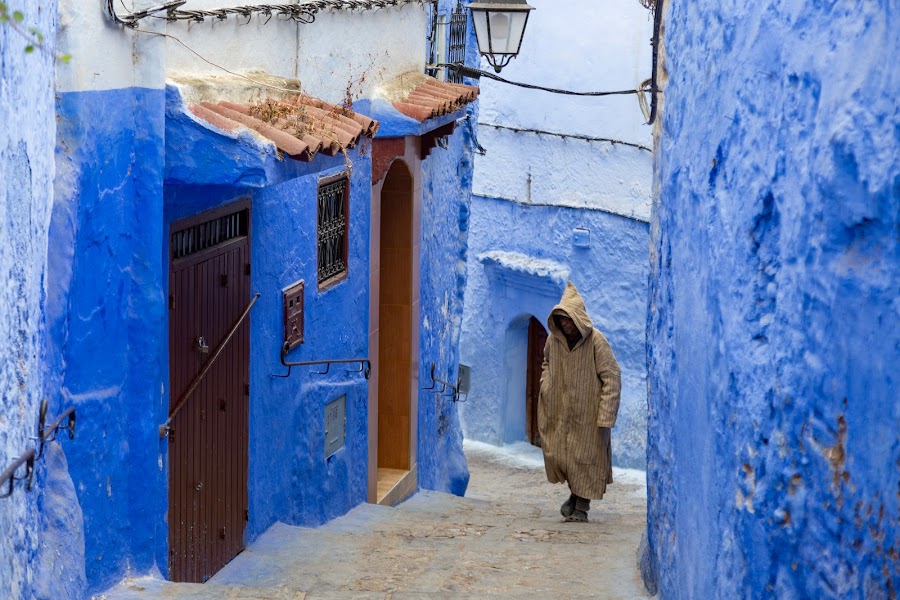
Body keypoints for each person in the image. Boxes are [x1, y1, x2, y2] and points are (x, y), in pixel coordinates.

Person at [538, 281, 621, 523]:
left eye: (568, 319)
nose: (565, 324)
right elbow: (546, 363)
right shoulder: (553, 341)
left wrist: (606, 414)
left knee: (586, 458)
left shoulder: (596, 341)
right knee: (564, 455)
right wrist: (547, 385)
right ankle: (575, 497)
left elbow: (612, 377)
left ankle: (581, 506)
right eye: (561, 319)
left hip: (589, 415)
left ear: (578, 318)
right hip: (561, 410)